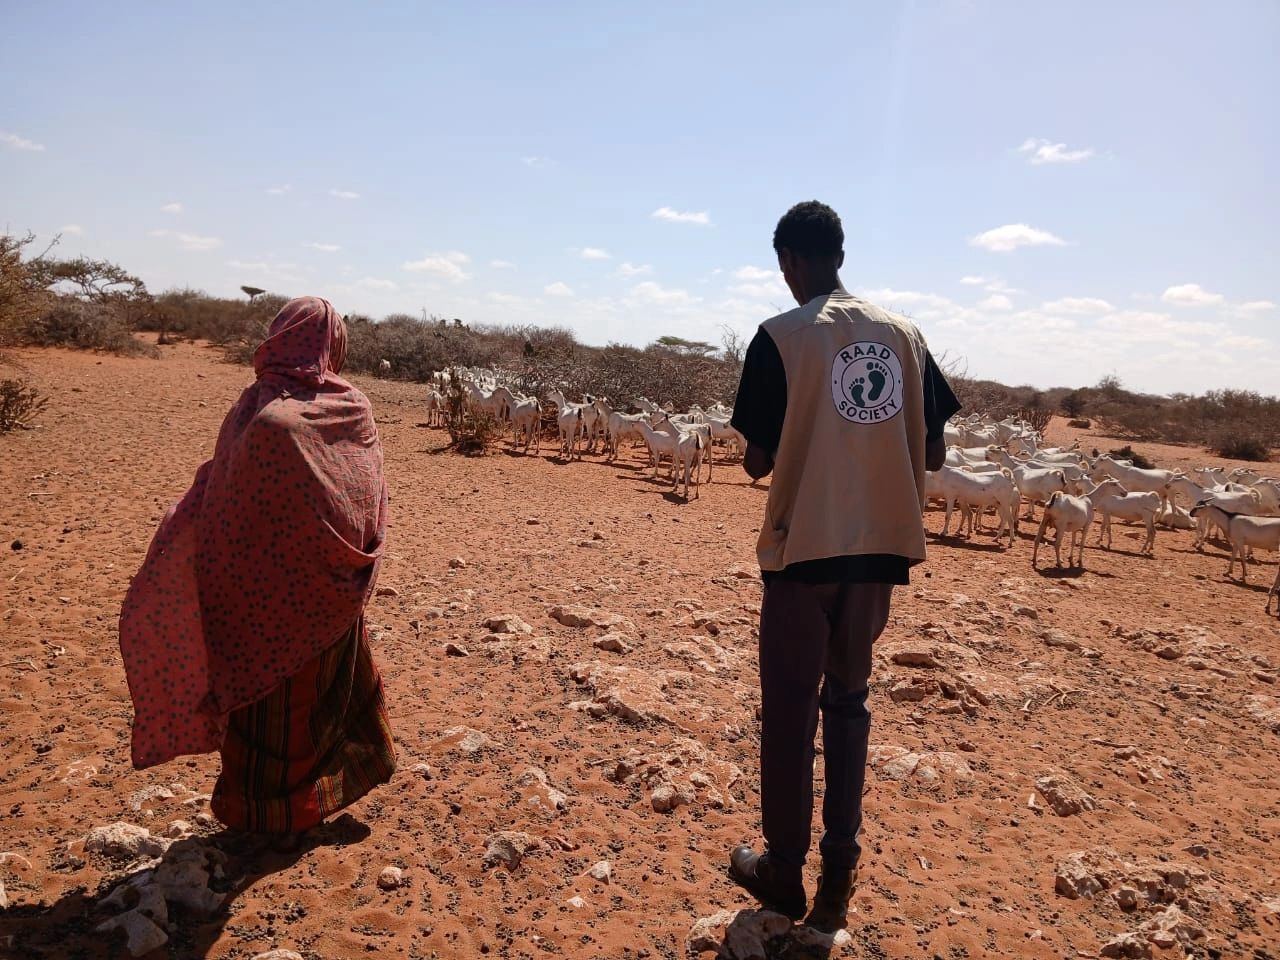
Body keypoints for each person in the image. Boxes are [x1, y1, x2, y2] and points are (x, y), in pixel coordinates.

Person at [727, 201, 960, 929]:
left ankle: (783, 870)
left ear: (790, 261)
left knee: (792, 710)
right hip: (878, 554)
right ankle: (841, 867)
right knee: (850, 703)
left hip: (805, 551)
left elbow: (758, 463)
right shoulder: (908, 337)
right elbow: (933, 453)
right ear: (840, 253)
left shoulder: (780, 337)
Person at [119, 296, 396, 845]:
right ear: (330, 342)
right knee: (314, 700)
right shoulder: (350, 407)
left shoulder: (255, 408)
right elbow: (364, 497)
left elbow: (221, 493)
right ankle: (298, 812)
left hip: (248, 593)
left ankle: (254, 814)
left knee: (262, 704)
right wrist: (351, 558)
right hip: (324, 590)